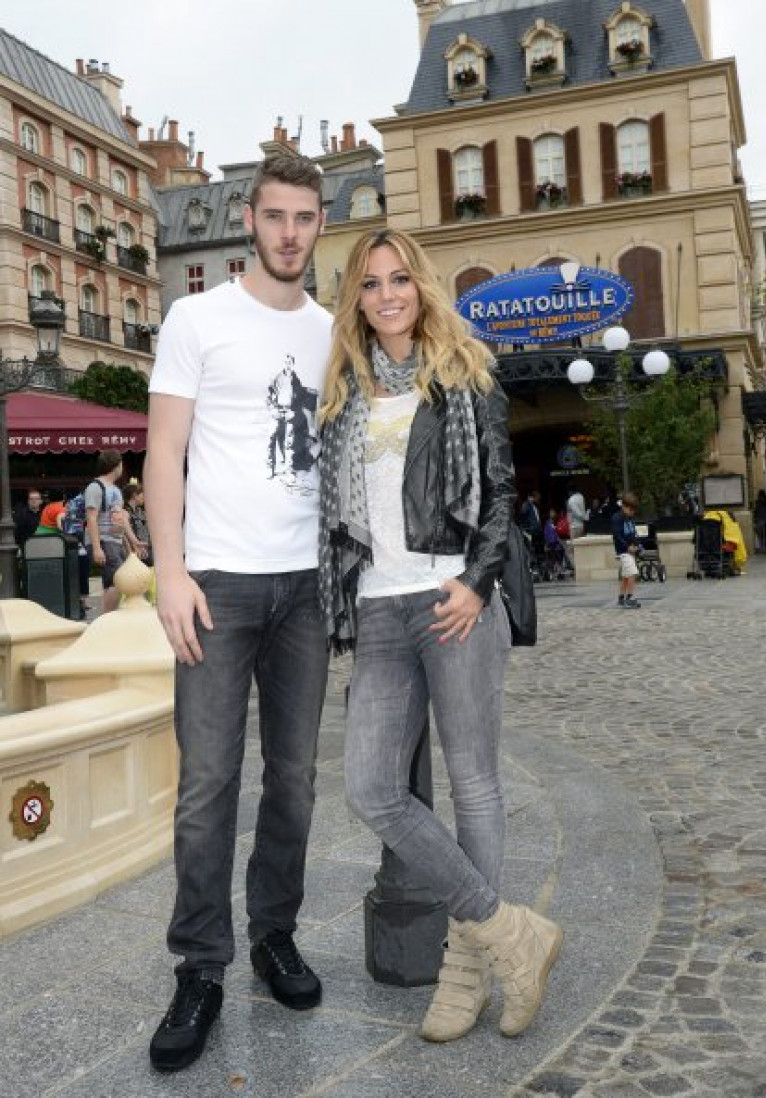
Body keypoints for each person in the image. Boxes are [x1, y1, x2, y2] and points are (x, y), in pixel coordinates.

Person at [318, 228, 563, 1045]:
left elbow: (500, 491)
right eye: (370, 283)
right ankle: (510, 932)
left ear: (421, 286)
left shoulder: (466, 371)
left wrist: (477, 580)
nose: (387, 294)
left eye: (399, 279)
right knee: (370, 787)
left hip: (453, 597)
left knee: (474, 784)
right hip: (381, 610)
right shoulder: (345, 392)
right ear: (355, 296)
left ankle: (466, 972)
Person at [144, 153, 332, 1073]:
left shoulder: (335, 333)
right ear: (249, 222)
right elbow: (162, 452)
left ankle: (273, 934)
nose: (289, 232)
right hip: (215, 585)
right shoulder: (196, 317)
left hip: (305, 587)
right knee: (207, 788)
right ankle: (201, 966)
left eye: (305, 217)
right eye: (275, 216)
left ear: (318, 225)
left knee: (293, 780)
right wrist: (169, 573)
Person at [84, 451, 143, 614]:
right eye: (121, 464)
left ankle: (109, 616)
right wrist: (96, 547)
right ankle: (108, 619)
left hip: (114, 541)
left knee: (115, 581)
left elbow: (121, 518)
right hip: (103, 540)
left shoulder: (115, 490)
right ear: (116, 465)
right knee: (118, 581)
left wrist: (132, 541)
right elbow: (91, 518)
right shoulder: (95, 487)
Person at [611, 492, 641, 608]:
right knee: (632, 572)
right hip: (623, 551)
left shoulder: (629, 518)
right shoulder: (617, 518)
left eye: (634, 510)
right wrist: (627, 547)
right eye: (630, 509)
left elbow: (633, 533)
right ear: (623, 506)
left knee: (625, 575)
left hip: (629, 550)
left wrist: (637, 545)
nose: (632, 512)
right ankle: (630, 597)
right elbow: (617, 536)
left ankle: (621, 597)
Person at [123, 481, 152, 565]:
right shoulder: (125, 512)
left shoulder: (141, 511)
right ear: (134, 495)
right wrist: (131, 550)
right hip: (132, 552)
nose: (144, 497)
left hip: (145, 551)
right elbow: (124, 534)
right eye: (142, 494)